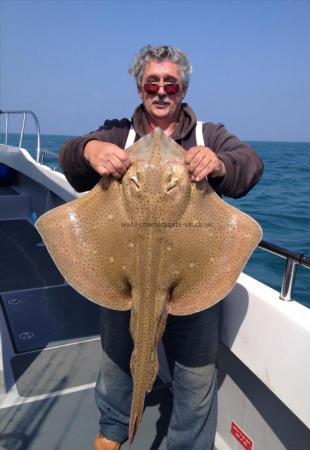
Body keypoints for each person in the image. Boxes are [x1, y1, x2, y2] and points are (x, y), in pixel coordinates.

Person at [60, 45, 263, 450]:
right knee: (117, 358)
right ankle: (114, 428)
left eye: (170, 82)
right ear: (140, 87)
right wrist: (89, 150)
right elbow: (71, 159)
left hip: (192, 276)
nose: (161, 90)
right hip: (125, 273)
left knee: (196, 375)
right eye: (152, 82)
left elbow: (249, 165)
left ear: (183, 88)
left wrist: (219, 164)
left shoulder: (209, 134)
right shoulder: (119, 132)